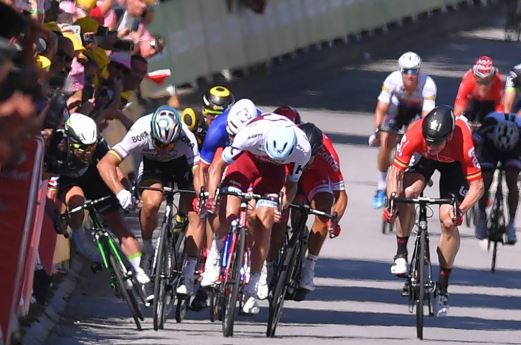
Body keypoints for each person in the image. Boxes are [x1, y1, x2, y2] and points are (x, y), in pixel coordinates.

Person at [206, 113, 311, 314]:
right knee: (230, 211)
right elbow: (217, 166)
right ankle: (215, 252)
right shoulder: (250, 134)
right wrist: (212, 197)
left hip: (273, 174)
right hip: (246, 161)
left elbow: (291, 186)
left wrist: (281, 206)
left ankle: (252, 286)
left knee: (265, 221)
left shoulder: (302, 149)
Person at [385, 105, 483, 317]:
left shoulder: (463, 140)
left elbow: (478, 187)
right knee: (407, 194)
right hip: (423, 162)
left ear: (448, 137)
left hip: (454, 167)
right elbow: (395, 172)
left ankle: (442, 288)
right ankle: (401, 253)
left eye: (436, 143)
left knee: (448, 220)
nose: (431, 147)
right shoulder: (416, 133)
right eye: (428, 142)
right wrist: (392, 200)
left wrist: (461, 211)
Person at [97, 105, 203, 297]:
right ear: (152, 134)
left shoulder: (187, 138)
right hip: (153, 167)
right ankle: (147, 246)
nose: (164, 150)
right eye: (159, 144)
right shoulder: (140, 130)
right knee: (152, 202)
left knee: (195, 213)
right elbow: (106, 163)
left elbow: (198, 173)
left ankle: (188, 274)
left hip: (181, 167)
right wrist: (120, 192)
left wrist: (203, 194)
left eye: (169, 145)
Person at [45, 113, 149, 284]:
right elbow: (50, 193)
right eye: (82, 148)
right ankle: (78, 235)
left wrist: (124, 192)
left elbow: (113, 167)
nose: (88, 152)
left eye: (91, 148)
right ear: (69, 141)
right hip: (68, 180)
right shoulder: (56, 147)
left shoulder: (97, 142)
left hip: (94, 177)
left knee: (118, 225)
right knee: (76, 200)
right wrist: (57, 218)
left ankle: (138, 270)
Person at [268, 122, 348, 300]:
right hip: (288, 174)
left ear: (318, 151)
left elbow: (341, 195)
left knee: (324, 207)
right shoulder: (288, 142)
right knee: (279, 219)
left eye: (311, 156)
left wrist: (334, 219)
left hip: (315, 177)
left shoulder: (329, 155)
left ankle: (309, 266)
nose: (307, 159)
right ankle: (269, 265)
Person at [370, 51, 437, 209]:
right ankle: (381, 187)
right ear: (401, 71)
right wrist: (378, 131)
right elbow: (381, 108)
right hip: (397, 110)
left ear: (419, 71)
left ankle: (414, 170)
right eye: (406, 71)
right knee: (386, 141)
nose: (410, 75)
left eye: (414, 71)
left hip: (416, 113)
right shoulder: (392, 80)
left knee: (415, 136)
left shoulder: (428, 84)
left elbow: (426, 117)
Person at [473, 112, 521, 244]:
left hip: (514, 150)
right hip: (490, 147)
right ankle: (482, 216)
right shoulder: (489, 124)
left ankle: (511, 223)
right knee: (486, 178)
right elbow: (472, 145)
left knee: (512, 178)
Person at [453, 56, 504, 122]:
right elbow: (461, 101)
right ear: (475, 78)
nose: (483, 86)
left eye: (486, 82)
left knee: (491, 120)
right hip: (472, 99)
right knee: (466, 117)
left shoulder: (497, 80)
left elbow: (499, 105)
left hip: (489, 101)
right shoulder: (469, 80)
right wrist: (457, 120)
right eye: (480, 82)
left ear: (492, 80)